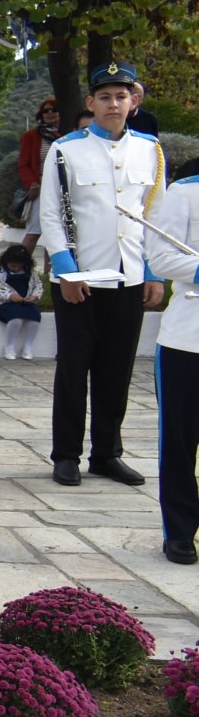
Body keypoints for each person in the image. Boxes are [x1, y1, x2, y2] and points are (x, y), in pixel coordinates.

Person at [38, 61, 166, 487]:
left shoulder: (150, 150)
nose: (114, 104)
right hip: (80, 277)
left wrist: (153, 271)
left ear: (134, 102)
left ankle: (107, 453)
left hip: (129, 276)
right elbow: (51, 215)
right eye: (105, 97)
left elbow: (154, 217)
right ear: (91, 103)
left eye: (122, 96)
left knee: (117, 369)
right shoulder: (66, 149)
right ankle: (66, 454)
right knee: (74, 369)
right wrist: (66, 271)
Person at [145, 156, 199, 564]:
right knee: (180, 442)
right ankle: (179, 530)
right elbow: (160, 258)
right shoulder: (186, 192)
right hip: (188, 340)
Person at [16, 98, 61, 252]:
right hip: (41, 189)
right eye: (45, 111)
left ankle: (52, 273)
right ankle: (16, 268)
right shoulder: (32, 136)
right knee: (34, 231)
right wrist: (32, 183)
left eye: (54, 110)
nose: (50, 113)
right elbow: (23, 165)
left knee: (58, 235)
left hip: (63, 188)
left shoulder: (67, 135)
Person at [0, 244, 45, 360]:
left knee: (34, 319)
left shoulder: (30, 273)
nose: (15, 269)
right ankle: (9, 346)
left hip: (26, 302)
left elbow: (38, 285)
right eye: (12, 266)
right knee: (16, 320)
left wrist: (35, 296)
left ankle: (28, 346)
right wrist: (9, 296)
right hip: (6, 303)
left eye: (19, 267)